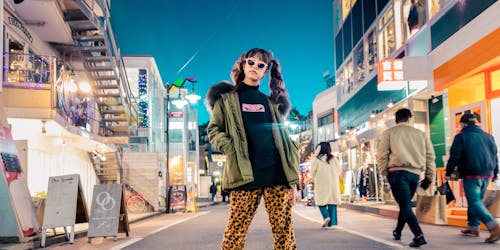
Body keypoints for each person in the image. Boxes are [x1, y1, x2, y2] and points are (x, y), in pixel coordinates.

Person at [206, 48, 300, 250]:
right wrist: (231, 148)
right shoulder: (227, 100)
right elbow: (213, 129)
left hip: (277, 174)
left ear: (265, 71)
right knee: (235, 232)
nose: (255, 67)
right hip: (244, 175)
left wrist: (291, 176)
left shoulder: (270, 102)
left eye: (261, 65)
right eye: (251, 62)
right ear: (243, 64)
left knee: (284, 231)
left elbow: (281, 136)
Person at [376, 108, 435, 248]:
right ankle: (397, 231)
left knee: (404, 205)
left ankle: (419, 235)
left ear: (396, 120)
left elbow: (382, 155)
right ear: (409, 119)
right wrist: (429, 176)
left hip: (396, 173)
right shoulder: (421, 134)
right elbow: (430, 156)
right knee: (405, 203)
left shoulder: (389, 133)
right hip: (414, 174)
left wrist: (384, 172)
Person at [445, 113, 500, 243]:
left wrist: (449, 171)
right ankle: (473, 227)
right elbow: (495, 157)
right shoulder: (489, 137)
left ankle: (493, 226)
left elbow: (455, 156)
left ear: (463, 124)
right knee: (476, 200)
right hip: (487, 173)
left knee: (474, 202)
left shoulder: (461, 136)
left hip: (471, 174)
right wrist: (496, 173)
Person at [310, 142, 342, 228]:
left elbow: (312, 172)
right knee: (332, 202)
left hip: (321, 184)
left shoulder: (317, 159)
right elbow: (339, 170)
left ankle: (326, 216)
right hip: (333, 184)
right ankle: (332, 223)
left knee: (321, 202)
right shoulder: (334, 159)